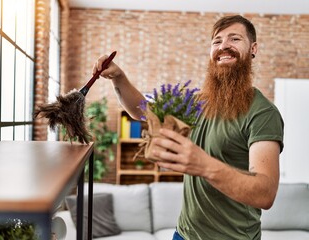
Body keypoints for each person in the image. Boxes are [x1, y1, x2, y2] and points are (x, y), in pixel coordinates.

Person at [93, 15, 284, 240]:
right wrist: (119, 77)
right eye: (217, 41)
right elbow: (143, 111)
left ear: (253, 48)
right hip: (184, 234)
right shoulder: (196, 102)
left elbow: (265, 193)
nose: (224, 46)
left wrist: (202, 164)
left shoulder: (263, 113)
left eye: (235, 39)